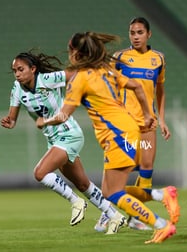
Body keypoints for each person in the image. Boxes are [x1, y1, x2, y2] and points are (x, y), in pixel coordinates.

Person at [36, 32, 177, 244]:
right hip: (127, 129)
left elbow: (64, 115)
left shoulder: (80, 79)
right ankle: (161, 195)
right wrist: (148, 114)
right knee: (109, 191)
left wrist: (44, 122)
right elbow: (137, 86)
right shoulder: (107, 70)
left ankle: (161, 224)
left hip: (118, 135)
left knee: (114, 193)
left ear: (75, 52)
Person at [0, 51, 126, 234]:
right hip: (54, 140)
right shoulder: (17, 88)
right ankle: (114, 215)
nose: (17, 74)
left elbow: (74, 75)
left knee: (40, 173)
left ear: (33, 69)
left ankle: (76, 202)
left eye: (21, 69)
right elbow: (12, 119)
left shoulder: (48, 79)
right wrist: (9, 122)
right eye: (14, 71)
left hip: (69, 134)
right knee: (83, 184)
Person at [95, 17, 176, 232]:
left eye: (140, 32)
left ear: (149, 34)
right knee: (122, 169)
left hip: (148, 124)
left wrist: (162, 118)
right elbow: (108, 85)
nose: (136, 36)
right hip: (124, 125)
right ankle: (107, 212)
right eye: (132, 33)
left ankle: (136, 217)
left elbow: (160, 90)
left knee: (147, 167)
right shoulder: (120, 58)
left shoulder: (158, 59)